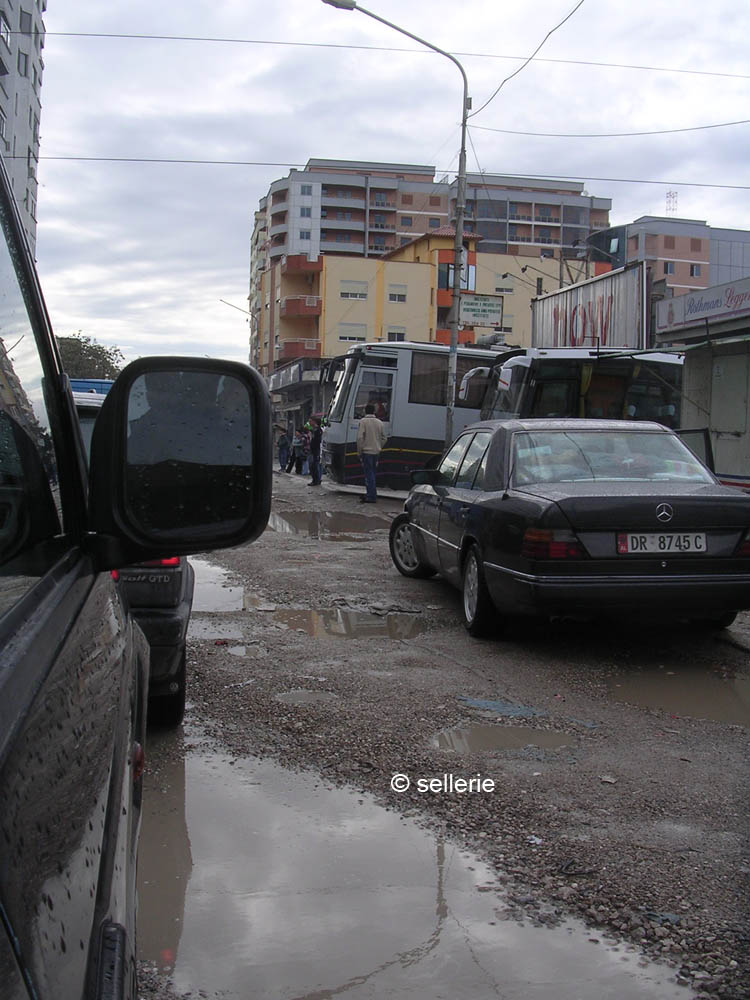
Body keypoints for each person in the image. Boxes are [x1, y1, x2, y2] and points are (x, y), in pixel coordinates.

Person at [356, 403, 387, 503]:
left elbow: (360, 438)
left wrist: (359, 451)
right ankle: (371, 494)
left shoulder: (363, 421)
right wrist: (379, 446)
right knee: (373, 473)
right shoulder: (380, 422)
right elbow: (384, 438)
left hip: (367, 451)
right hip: (376, 452)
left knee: (368, 474)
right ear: (374, 411)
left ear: (365, 411)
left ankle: (371, 496)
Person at [307, 417, 323, 486]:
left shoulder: (318, 430)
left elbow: (317, 441)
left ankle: (316, 480)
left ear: (314, 422)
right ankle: (315, 480)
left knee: (314, 465)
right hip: (313, 450)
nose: (309, 423)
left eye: (310, 421)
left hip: (316, 450)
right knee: (313, 465)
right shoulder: (314, 430)